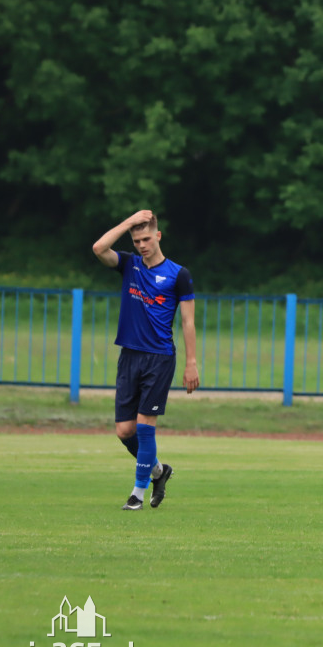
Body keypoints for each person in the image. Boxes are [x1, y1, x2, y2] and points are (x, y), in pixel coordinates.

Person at [92, 210, 199, 510]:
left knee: (144, 426)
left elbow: (188, 323)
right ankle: (158, 472)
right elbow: (99, 249)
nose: (142, 245)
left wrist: (192, 363)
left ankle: (137, 495)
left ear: (158, 236)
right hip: (129, 356)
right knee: (124, 431)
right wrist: (127, 223)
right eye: (137, 240)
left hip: (159, 358)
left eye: (146, 238)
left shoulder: (179, 275)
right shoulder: (130, 265)